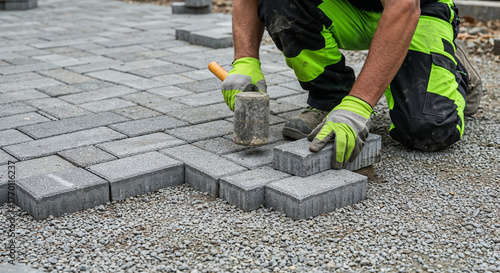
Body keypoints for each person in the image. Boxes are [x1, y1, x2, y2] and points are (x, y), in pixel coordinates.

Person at [221, 0, 482, 170]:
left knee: (428, 129)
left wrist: (359, 105)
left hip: (418, 11)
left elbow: (403, 6)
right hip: (346, 9)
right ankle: (330, 100)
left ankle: (456, 68)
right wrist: (245, 61)